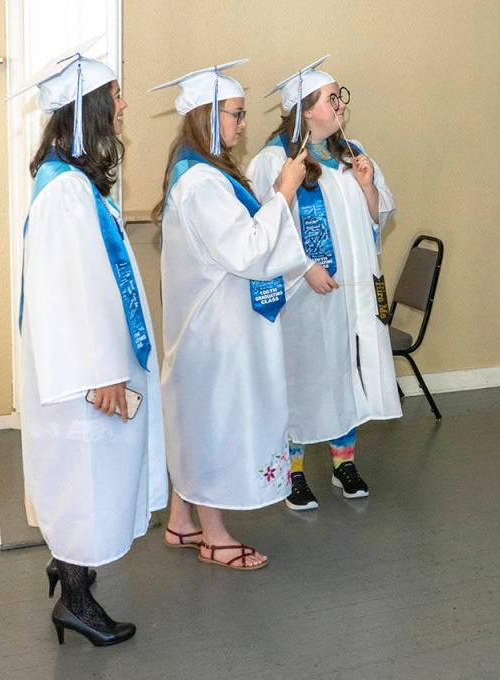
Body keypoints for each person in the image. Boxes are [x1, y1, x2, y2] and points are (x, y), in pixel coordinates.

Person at [15, 43, 167, 645]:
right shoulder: (62, 195)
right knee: (83, 480)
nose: (123, 104)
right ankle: (74, 602)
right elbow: (61, 298)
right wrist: (100, 371)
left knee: (91, 477)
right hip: (85, 376)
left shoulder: (75, 186)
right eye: (114, 97)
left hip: (95, 367)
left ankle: (71, 568)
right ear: (86, 113)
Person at [150, 59, 311, 569]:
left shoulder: (202, 174)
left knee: (198, 418)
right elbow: (246, 251)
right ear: (207, 116)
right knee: (216, 421)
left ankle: (182, 520)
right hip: (216, 330)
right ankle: (215, 536)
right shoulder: (200, 183)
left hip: (212, 322)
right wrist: (284, 191)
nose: (243, 124)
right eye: (236, 114)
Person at [247, 56, 400, 511]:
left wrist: (370, 187)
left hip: (354, 288)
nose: (341, 105)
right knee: (305, 377)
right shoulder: (273, 160)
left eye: (340, 96)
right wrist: (302, 267)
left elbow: (379, 219)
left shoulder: (351, 152)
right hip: (306, 294)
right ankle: (294, 474)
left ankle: (343, 463)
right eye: (332, 98)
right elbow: (264, 230)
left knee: (346, 373)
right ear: (305, 110)